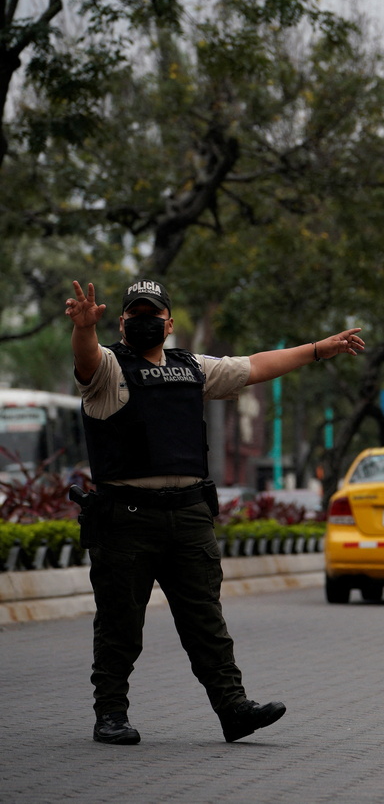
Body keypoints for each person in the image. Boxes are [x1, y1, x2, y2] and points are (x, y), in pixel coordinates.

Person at [65, 279, 365, 745]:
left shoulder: (192, 368)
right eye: (135, 314)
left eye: (152, 314)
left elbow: (256, 366)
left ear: (169, 323)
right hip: (126, 518)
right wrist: (84, 328)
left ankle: (233, 709)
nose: (144, 321)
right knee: (120, 623)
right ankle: (111, 714)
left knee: (206, 621)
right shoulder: (108, 368)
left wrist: (318, 350)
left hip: (188, 516)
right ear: (121, 322)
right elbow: (85, 359)